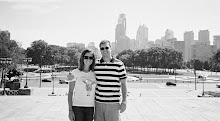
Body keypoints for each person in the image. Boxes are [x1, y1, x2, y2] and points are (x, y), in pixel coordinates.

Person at [94, 40, 127, 121]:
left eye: (106, 47)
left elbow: (124, 84)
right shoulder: (95, 64)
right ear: (100, 50)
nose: (104, 50)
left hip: (113, 104)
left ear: (110, 48)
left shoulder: (119, 64)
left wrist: (124, 101)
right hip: (98, 103)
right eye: (102, 48)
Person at [67, 49, 96, 121]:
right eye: (86, 57)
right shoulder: (75, 72)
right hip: (77, 107)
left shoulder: (95, 73)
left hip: (91, 108)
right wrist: (70, 111)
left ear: (93, 59)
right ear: (82, 58)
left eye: (91, 57)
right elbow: (70, 92)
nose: (88, 59)